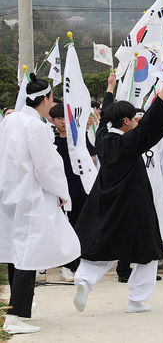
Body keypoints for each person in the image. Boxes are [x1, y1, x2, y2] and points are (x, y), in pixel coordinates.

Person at [73, 73, 163, 314]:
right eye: (134, 119)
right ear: (128, 122)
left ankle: (84, 281)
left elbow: (105, 117)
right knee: (147, 251)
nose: (138, 122)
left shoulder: (102, 138)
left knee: (102, 248)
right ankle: (137, 300)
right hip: (133, 203)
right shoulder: (130, 143)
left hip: (104, 201)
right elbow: (150, 126)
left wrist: (111, 88)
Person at [0, 74, 81, 335]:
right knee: (28, 255)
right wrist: (61, 191)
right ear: (46, 99)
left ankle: (19, 306)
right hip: (32, 196)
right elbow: (46, 166)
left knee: (17, 253)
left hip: (11, 194)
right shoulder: (35, 126)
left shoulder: (11, 119)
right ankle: (16, 317)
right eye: (52, 98)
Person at [48, 102, 97, 281]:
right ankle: (59, 264)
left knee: (78, 226)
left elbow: (93, 158)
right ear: (52, 120)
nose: (62, 122)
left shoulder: (78, 140)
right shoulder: (49, 141)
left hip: (78, 189)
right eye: (59, 119)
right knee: (59, 227)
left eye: (65, 118)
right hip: (58, 191)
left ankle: (72, 264)